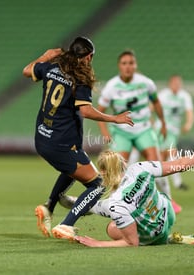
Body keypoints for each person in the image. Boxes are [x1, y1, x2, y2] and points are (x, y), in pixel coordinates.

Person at [22, 37, 133, 240]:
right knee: (98, 184)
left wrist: (44, 56)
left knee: (72, 169)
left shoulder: (50, 67)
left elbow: (27, 71)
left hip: (42, 139)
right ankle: (66, 225)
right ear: (88, 56)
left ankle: (49, 207)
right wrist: (114, 118)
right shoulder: (80, 78)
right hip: (61, 145)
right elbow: (86, 111)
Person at [74, 140, 194, 247]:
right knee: (151, 201)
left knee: (112, 228)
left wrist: (98, 243)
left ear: (103, 172)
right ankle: (172, 236)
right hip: (168, 215)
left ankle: (166, 239)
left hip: (153, 236)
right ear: (122, 163)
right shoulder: (140, 167)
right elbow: (179, 165)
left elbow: (132, 243)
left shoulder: (114, 203)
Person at [97, 50, 182, 213]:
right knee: (117, 168)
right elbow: (100, 110)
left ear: (135, 65)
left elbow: (156, 102)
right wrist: (104, 131)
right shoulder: (112, 86)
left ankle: (168, 201)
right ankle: (117, 204)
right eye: (124, 63)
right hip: (122, 131)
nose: (128, 66)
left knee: (157, 165)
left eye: (131, 63)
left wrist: (163, 122)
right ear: (119, 66)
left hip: (143, 129)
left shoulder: (146, 82)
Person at [155, 75, 194, 190]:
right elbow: (152, 108)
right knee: (166, 154)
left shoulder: (184, 96)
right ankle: (174, 182)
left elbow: (190, 112)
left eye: (179, 83)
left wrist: (188, 124)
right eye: (175, 83)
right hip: (161, 128)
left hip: (174, 130)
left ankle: (163, 179)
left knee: (169, 154)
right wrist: (151, 122)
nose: (177, 85)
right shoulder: (163, 95)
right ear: (170, 83)